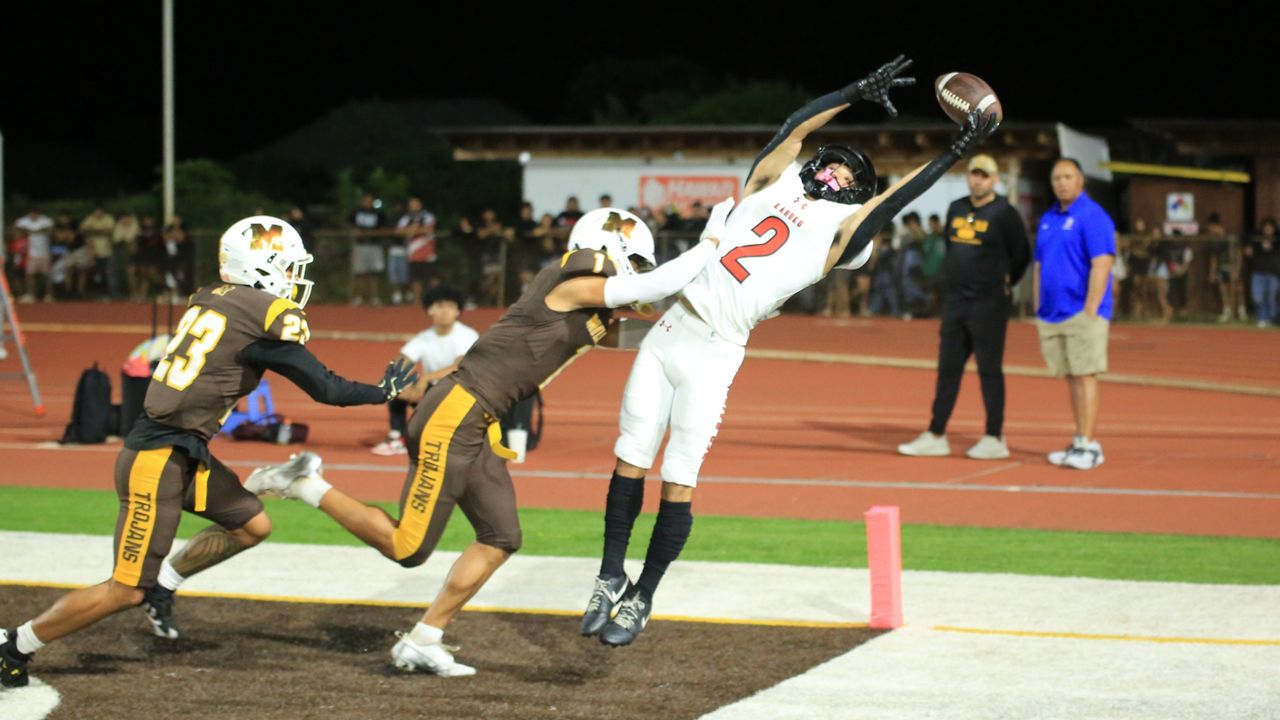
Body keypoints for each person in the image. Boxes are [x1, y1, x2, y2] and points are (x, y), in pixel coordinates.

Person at [580, 55, 999, 647]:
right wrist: (853, 90)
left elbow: (892, 201)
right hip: (670, 330)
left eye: (845, 178)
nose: (831, 176)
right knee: (630, 457)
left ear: (854, 193)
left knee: (678, 477)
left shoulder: (839, 232)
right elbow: (796, 127)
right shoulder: (768, 183)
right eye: (832, 166)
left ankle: (642, 595)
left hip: (716, 351)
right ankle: (607, 575)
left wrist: (955, 152)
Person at [237, 205, 730, 677]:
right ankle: (305, 483)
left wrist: (716, 329)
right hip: (457, 412)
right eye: (635, 259)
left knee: (500, 538)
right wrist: (710, 241)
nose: (638, 272)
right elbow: (654, 284)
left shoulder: (587, 303)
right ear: (611, 249)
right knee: (408, 546)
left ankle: (424, 638)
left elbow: (643, 332)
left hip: (477, 420)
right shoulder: (573, 279)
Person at [0, 216, 416, 687]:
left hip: (182, 450)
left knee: (252, 524)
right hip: (157, 459)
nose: (296, 280)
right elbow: (326, 388)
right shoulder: (263, 317)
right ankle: (14, 646)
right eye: (289, 267)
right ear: (264, 267)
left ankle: (166, 583)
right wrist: (381, 392)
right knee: (124, 590)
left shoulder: (216, 301)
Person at [898, 154, 1030, 460]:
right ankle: (936, 433)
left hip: (989, 304)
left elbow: (1021, 254)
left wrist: (1002, 283)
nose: (978, 180)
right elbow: (950, 244)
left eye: (984, 175)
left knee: (989, 370)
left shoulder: (1005, 213)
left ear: (995, 179)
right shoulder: (956, 207)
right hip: (956, 302)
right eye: (974, 174)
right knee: (948, 369)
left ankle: (994, 437)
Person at [1033, 158, 1116, 470]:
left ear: (1081, 180)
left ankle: (1089, 444)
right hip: (1053, 314)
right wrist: (1038, 305)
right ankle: (1080, 439)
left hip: (1081, 312)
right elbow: (1039, 264)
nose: (1062, 183)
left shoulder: (1092, 216)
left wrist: (1091, 309)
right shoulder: (1048, 218)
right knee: (1072, 377)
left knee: (1085, 376)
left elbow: (1102, 263)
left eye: (1068, 177)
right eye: (1056, 178)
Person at [372, 286, 480, 456]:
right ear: (430, 310)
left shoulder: (466, 335)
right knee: (396, 384)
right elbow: (401, 361)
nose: (445, 311)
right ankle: (398, 437)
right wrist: (399, 383)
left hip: (463, 393)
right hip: (434, 390)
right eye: (440, 306)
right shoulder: (424, 337)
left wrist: (425, 379)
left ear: (458, 312)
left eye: (450, 307)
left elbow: (459, 367)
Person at [1244, 218, 1279, 327]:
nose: (1268, 230)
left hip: (1273, 273)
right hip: (1258, 273)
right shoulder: (1256, 240)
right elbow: (1245, 243)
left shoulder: (1277, 241)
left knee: (1272, 297)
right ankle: (1263, 318)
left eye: (1270, 228)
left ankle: (1273, 318)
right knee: (1257, 297)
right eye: (1266, 227)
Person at [13, 209, 53, 302]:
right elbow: (18, 228)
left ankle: (49, 295)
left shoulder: (45, 220)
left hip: (44, 253)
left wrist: (31, 231)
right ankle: (30, 295)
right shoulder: (23, 220)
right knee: (29, 275)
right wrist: (36, 231)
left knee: (46, 275)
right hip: (32, 254)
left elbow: (48, 230)